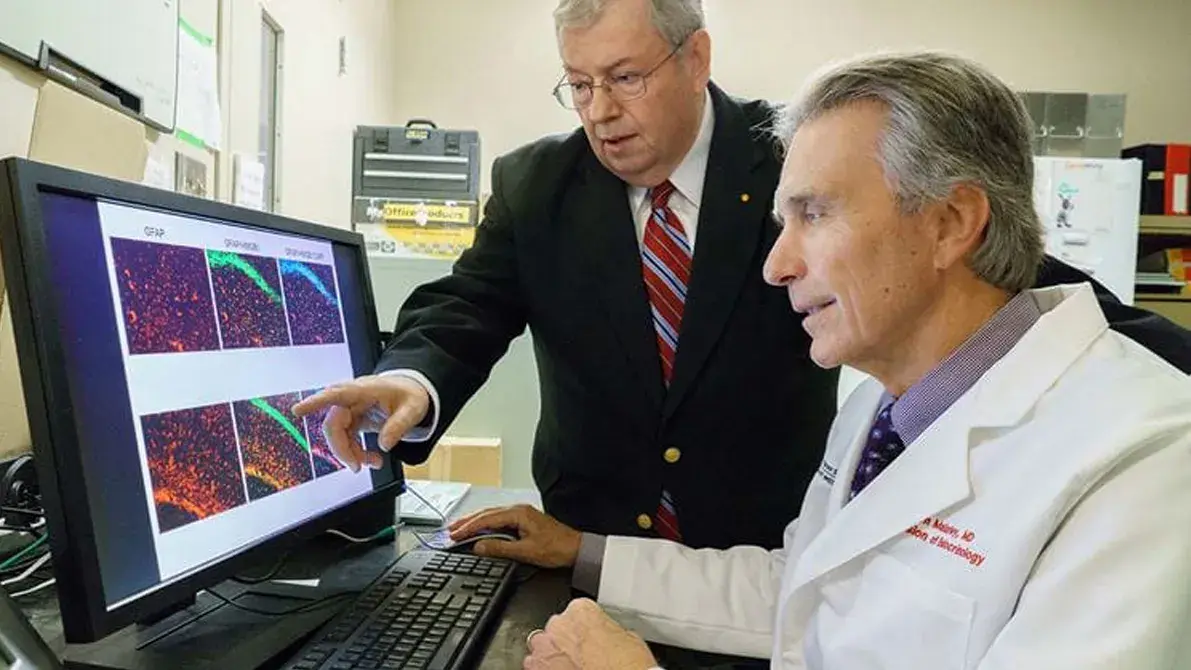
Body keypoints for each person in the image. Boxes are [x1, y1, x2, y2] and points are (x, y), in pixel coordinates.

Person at [293, 0, 1191, 555]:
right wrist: (410, 377)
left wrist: (1157, 364)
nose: (600, 112)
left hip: (766, 549)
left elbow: (1011, 265)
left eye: (624, 76)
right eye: (576, 85)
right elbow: (469, 306)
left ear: (695, 59)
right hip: (587, 542)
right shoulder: (537, 183)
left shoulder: (799, 155)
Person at [452, 52, 1191, 669]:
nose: (775, 265)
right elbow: (800, 592)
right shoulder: (881, 406)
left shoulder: (1142, 463)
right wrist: (583, 552)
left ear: (950, 222)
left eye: (813, 214)